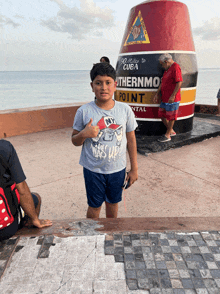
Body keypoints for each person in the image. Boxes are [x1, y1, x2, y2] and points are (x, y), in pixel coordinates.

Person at [71, 62, 138, 219]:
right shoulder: (84, 111)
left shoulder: (125, 110)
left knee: (113, 204)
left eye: (108, 83)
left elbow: (131, 139)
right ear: (92, 85)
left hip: (117, 169)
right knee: (94, 207)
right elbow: (74, 140)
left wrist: (134, 168)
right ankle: (91, 235)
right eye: (98, 83)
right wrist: (84, 134)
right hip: (93, 170)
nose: (103, 87)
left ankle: (110, 235)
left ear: (115, 85)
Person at [0, 139, 52, 241]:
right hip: (5, 230)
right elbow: (22, 189)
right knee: (35, 198)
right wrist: (35, 219)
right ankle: (28, 226)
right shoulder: (4, 148)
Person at [153, 53, 183, 142]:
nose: (162, 66)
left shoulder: (175, 67)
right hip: (165, 98)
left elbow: (179, 82)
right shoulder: (167, 69)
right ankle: (171, 131)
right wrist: (157, 93)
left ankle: (167, 135)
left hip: (172, 98)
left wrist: (173, 95)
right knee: (161, 114)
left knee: (171, 117)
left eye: (162, 64)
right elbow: (162, 83)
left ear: (166, 61)